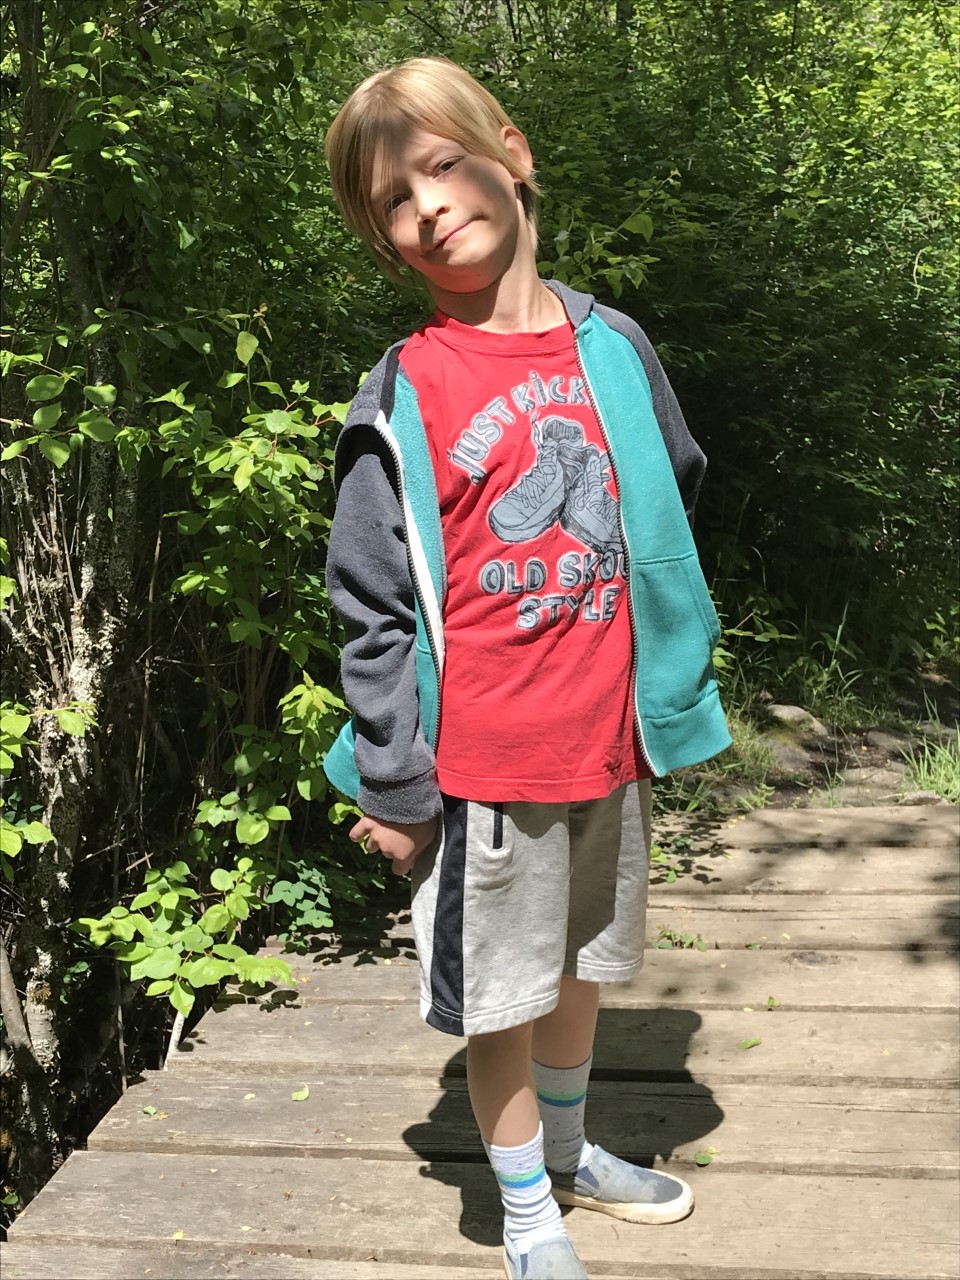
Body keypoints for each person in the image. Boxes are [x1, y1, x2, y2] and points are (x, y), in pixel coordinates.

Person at [321, 56, 731, 1280]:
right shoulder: (406, 391)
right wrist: (394, 788)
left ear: (510, 152)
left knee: (580, 968)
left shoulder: (617, 346)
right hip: (483, 771)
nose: (431, 203)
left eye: (444, 164)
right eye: (397, 198)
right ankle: (525, 1212)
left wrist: (653, 667)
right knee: (499, 999)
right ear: (387, 240)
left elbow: (673, 482)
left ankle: (568, 1149)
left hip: (605, 745)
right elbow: (375, 608)